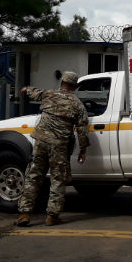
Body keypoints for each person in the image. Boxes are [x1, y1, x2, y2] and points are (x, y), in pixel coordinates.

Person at [15, 71, 89, 227]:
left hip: (40, 142)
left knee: (33, 177)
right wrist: (83, 150)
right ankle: (52, 216)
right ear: (75, 86)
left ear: (62, 82)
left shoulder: (48, 94)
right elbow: (82, 129)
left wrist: (26, 89)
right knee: (58, 180)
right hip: (59, 146)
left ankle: (24, 214)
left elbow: (29, 92)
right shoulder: (77, 104)